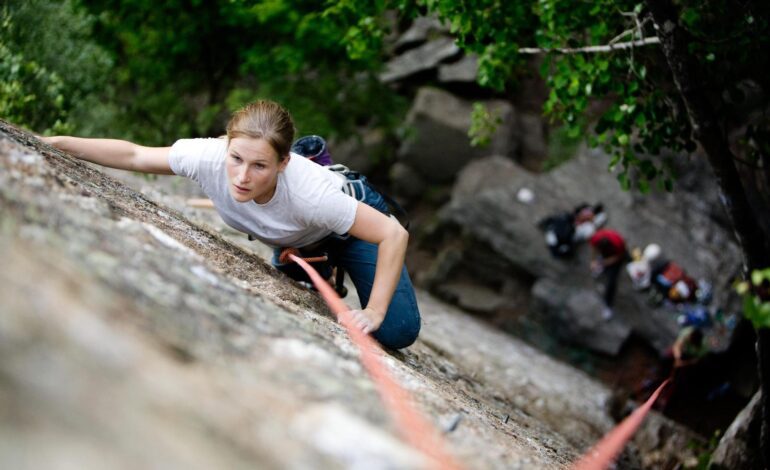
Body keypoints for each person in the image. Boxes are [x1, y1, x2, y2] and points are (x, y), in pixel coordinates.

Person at [41, 100, 421, 349]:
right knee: (293, 264)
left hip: (348, 220)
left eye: (259, 166)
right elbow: (136, 154)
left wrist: (372, 312)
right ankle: (302, 251)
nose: (241, 176)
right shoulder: (207, 156)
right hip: (300, 234)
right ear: (226, 146)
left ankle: (315, 212)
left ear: (283, 164)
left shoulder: (311, 196)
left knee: (395, 330)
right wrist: (57, 142)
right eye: (236, 158)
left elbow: (393, 233)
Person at [589, 228, 628, 320]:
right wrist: (593, 261)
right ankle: (600, 269)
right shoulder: (596, 238)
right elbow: (594, 249)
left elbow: (618, 257)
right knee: (599, 263)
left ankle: (608, 306)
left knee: (611, 282)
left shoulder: (618, 243)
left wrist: (604, 263)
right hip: (605, 255)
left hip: (617, 256)